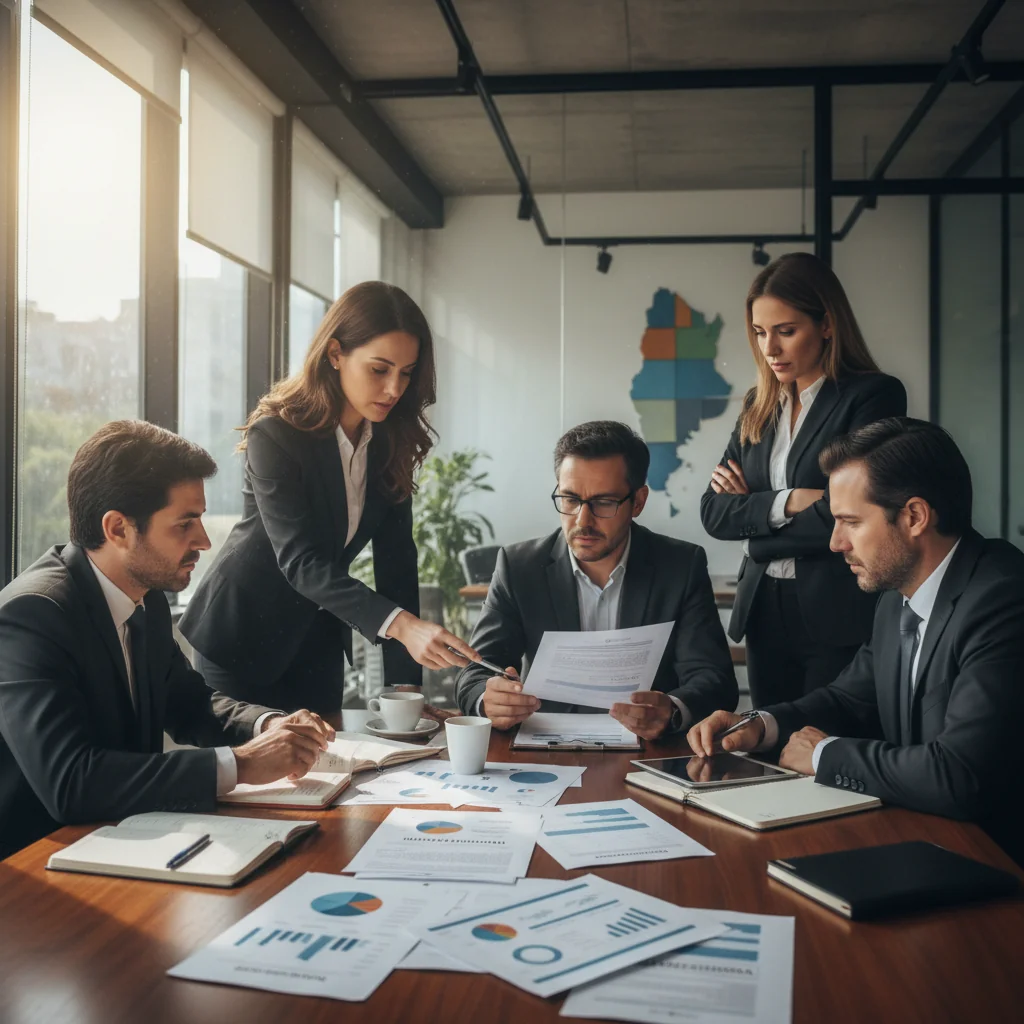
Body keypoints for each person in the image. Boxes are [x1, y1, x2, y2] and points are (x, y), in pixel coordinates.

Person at [689, 418, 1024, 864]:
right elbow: (849, 701)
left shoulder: (1003, 598)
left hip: (995, 869)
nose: (834, 543)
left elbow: (959, 775)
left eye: (849, 522)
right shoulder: (895, 599)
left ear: (914, 517)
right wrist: (758, 724)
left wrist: (826, 755)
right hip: (923, 839)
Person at [0, 421, 334, 860]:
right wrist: (243, 764)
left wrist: (267, 725)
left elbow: (189, 703)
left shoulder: (145, 595)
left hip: (121, 839)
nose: (204, 540)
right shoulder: (32, 615)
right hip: (34, 869)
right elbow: (70, 782)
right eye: (185, 524)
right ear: (118, 528)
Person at [180, 282, 478, 716]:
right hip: (239, 637)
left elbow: (397, 562)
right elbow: (300, 561)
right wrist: (403, 626)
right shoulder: (276, 434)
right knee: (254, 781)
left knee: (328, 776)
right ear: (335, 354)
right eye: (380, 369)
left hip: (315, 642)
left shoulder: (389, 443)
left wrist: (404, 690)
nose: (395, 388)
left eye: (407, 372)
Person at [700, 252, 906, 708]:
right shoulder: (759, 404)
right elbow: (714, 511)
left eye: (786, 331)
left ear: (827, 325)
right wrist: (793, 500)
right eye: (759, 332)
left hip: (836, 612)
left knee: (819, 745)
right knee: (767, 743)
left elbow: (857, 513)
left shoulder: (872, 396)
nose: (769, 348)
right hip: (763, 609)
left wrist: (756, 532)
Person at [455, 421, 737, 739]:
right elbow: (476, 671)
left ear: (638, 502)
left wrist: (672, 709)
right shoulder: (520, 567)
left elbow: (714, 681)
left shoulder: (680, 566)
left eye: (603, 503)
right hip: (545, 751)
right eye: (570, 499)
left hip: (649, 754)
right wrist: (487, 700)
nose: (582, 520)